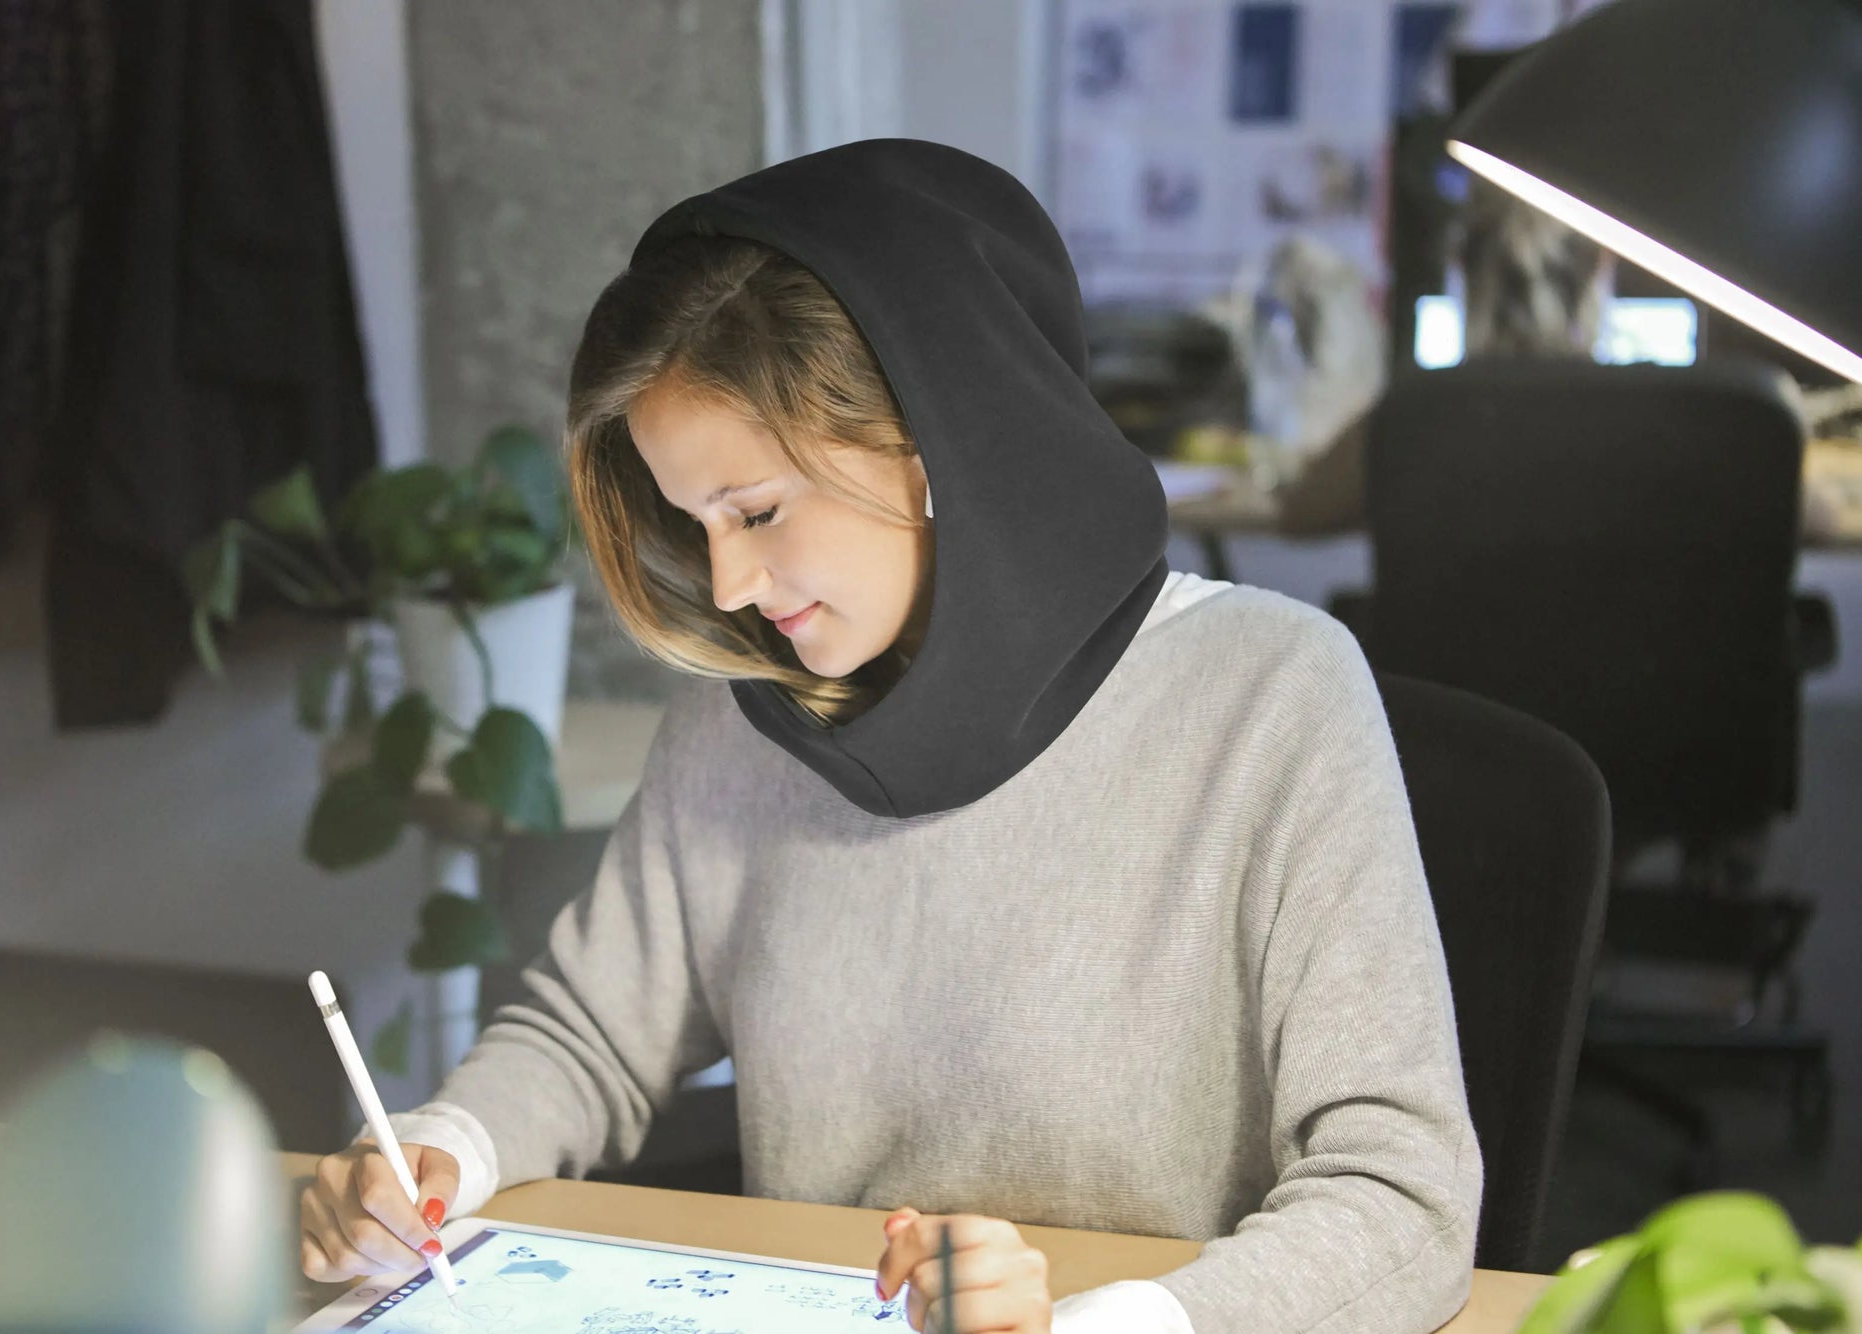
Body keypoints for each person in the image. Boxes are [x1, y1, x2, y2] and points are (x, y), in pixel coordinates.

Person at [299, 138, 1482, 1334]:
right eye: (691, 519)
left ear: (930, 448)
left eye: (755, 509)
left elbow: (1403, 1198)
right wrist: (444, 1146)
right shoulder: (737, 717)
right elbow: (590, 1031)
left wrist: (1105, 1325)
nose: (727, 579)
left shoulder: (1269, 692)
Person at [1275, 175, 1615, 536]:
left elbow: (1299, 516)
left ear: (1457, 266)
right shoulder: (1640, 414)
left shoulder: (1417, 412)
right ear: (1601, 266)